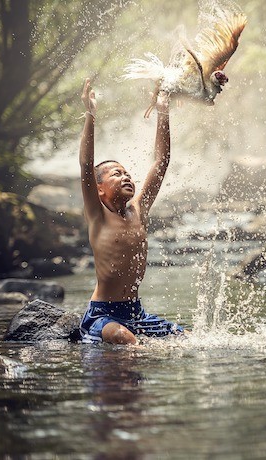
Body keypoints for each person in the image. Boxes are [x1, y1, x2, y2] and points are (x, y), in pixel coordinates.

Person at [78, 78, 184, 344]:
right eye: (116, 174)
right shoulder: (97, 216)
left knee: (186, 338)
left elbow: (162, 160)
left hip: (136, 312)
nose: (126, 177)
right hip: (102, 314)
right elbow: (85, 164)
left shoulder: (138, 210)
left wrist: (162, 108)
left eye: (127, 173)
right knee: (124, 338)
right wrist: (90, 114)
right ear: (99, 188)